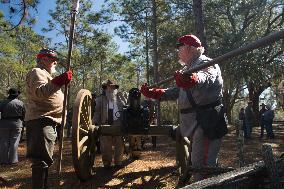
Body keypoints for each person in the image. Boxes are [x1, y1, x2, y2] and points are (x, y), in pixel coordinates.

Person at [140, 34, 227, 182]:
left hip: (208, 122)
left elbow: (205, 77)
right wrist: (156, 93)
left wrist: (193, 79)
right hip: (198, 121)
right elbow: (179, 91)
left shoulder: (206, 63)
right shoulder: (189, 68)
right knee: (200, 162)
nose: (178, 52)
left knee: (204, 166)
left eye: (179, 48)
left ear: (189, 48)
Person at [25, 48, 72, 189]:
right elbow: (40, 92)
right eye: (52, 59)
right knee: (41, 161)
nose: (55, 62)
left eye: (55, 59)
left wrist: (58, 81)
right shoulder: (37, 72)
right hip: (41, 119)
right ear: (43, 59)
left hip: (48, 120)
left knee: (45, 160)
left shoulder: (46, 74)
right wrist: (59, 81)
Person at [93, 79, 127, 168]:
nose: (110, 89)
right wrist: (95, 123)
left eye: (112, 87)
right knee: (105, 146)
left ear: (115, 88)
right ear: (105, 88)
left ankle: (118, 162)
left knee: (119, 144)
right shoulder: (100, 99)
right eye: (108, 87)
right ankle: (107, 164)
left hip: (118, 123)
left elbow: (126, 109)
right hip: (105, 123)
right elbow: (97, 112)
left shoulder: (120, 98)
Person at [0, 88, 25, 165]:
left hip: (4, 124)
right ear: (16, 95)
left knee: (4, 142)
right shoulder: (21, 103)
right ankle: (13, 161)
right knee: (14, 142)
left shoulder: (2, 103)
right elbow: (24, 114)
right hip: (17, 124)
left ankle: (3, 161)